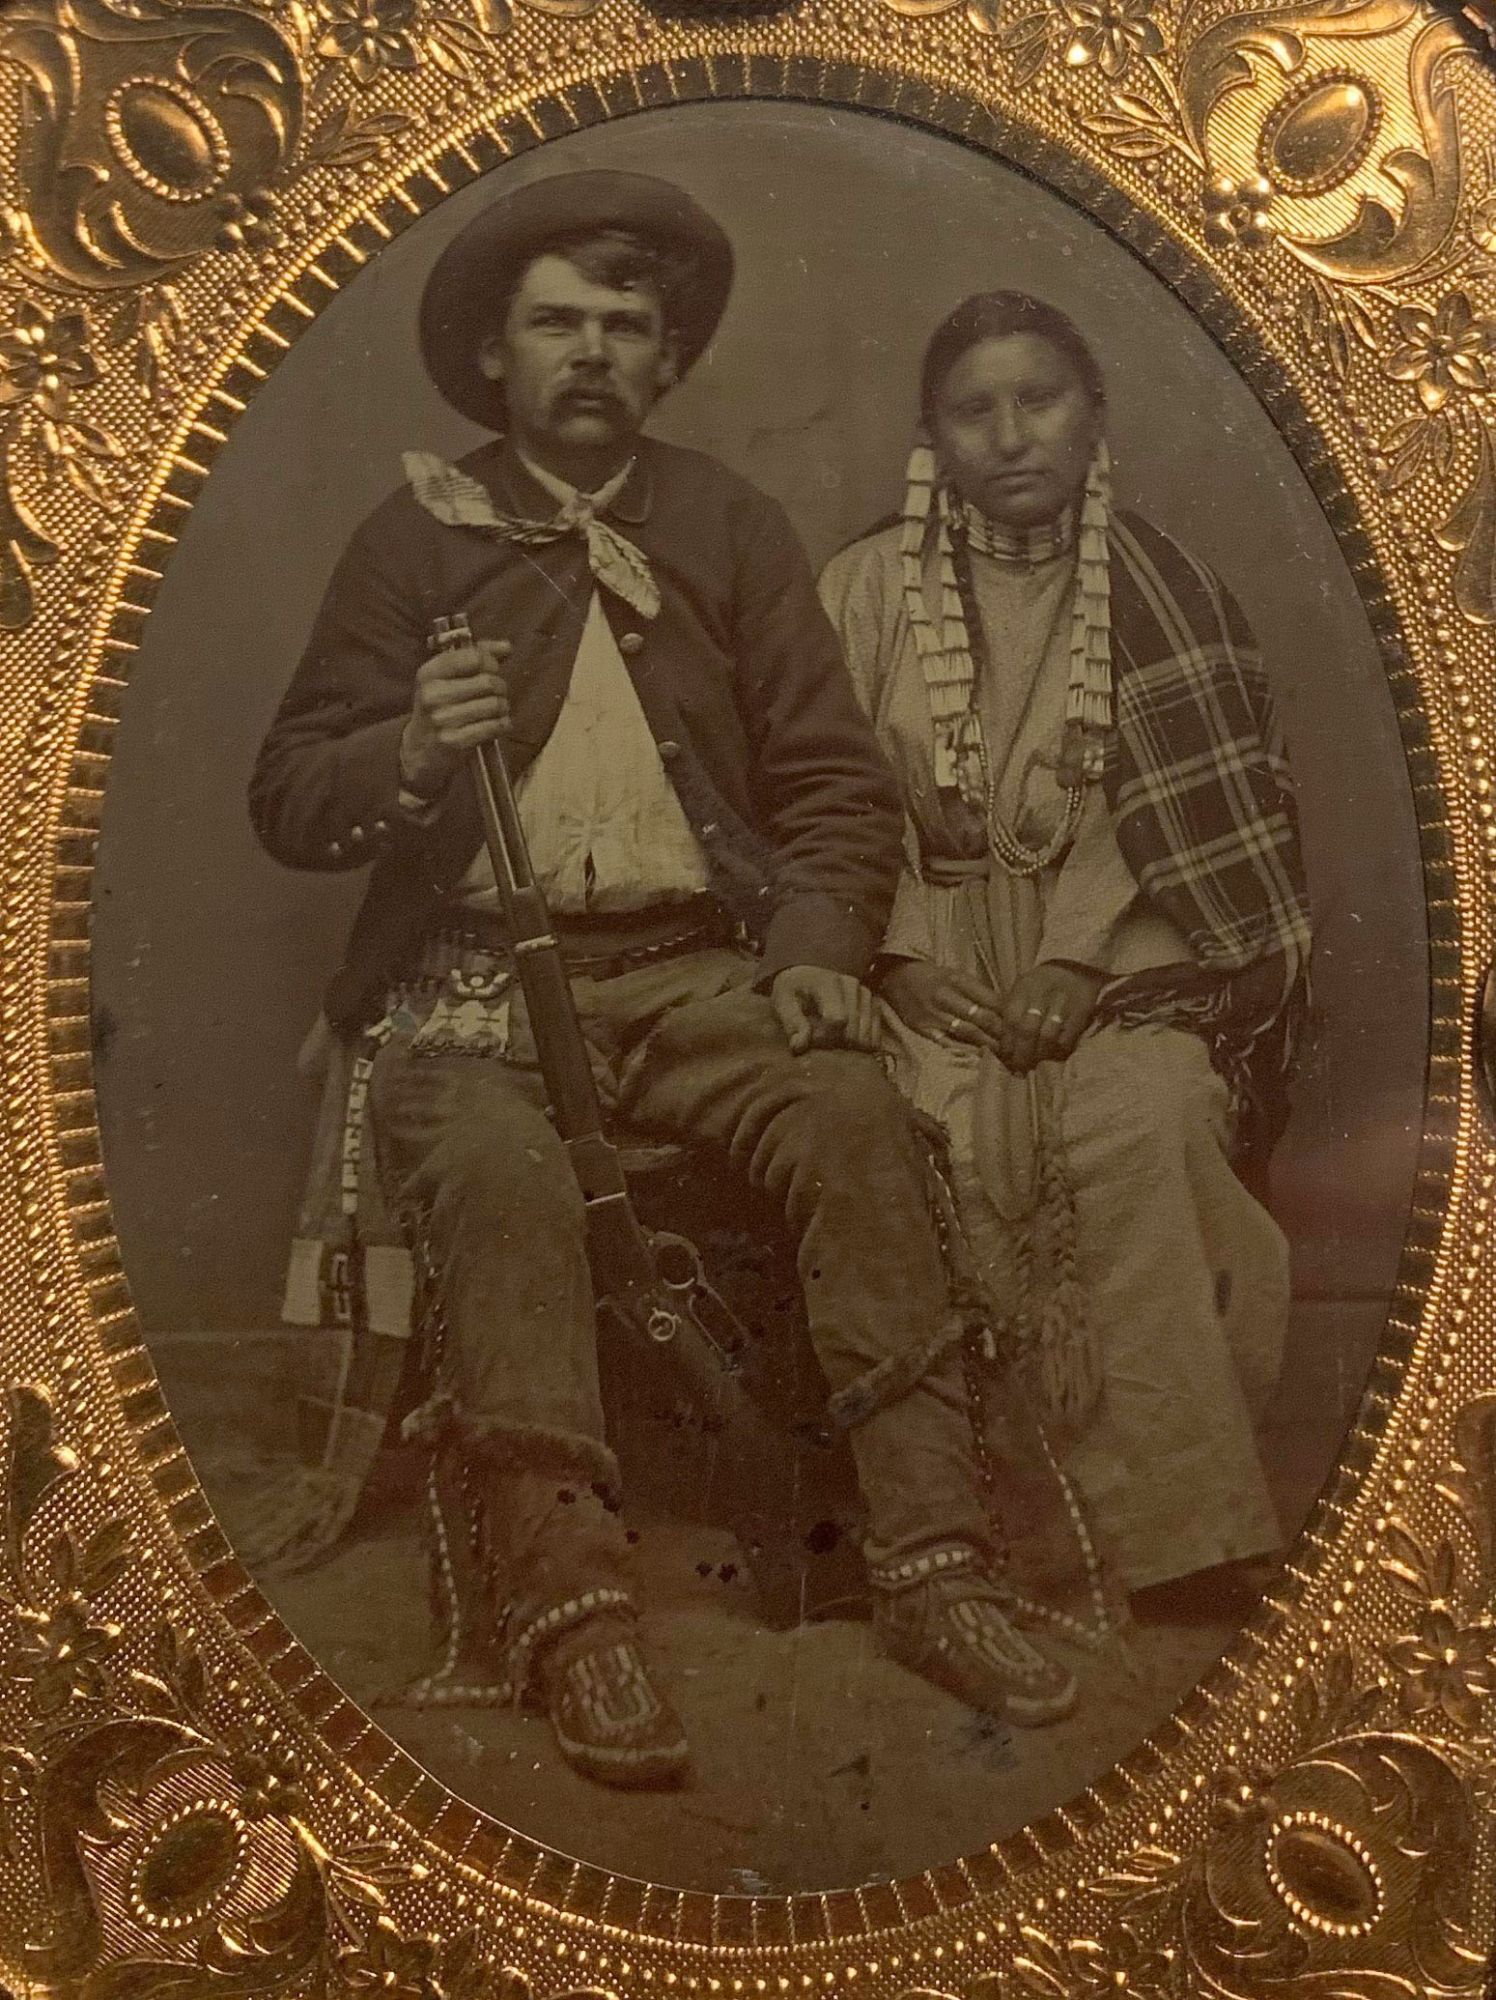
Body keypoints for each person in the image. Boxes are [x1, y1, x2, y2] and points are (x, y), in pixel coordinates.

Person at [250, 178, 1081, 1794]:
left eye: (628, 331)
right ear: (496, 356)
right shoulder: (415, 532)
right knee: (496, 1176)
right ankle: (569, 1610)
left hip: (699, 975)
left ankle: (934, 1566)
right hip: (469, 992)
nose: (593, 354)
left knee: (850, 1112)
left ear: (666, 359)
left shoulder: (722, 526)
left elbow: (837, 784)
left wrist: (822, 957)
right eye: (558, 323)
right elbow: (289, 797)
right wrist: (412, 744)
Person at [818, 292, 1312, 1614]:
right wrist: (906, 964)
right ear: (933, 437)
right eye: (975, 411)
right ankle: (976, 1536)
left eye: (1039, 400)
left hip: (1117, 977)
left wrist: (1084, 965)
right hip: (914, 970)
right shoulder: (863, 591)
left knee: (1146, 1121)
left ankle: (1181, 1539)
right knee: (931, 1130)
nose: (1012, 434)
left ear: (1093, 417)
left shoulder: (1174, 599)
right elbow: (817, 802)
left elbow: (1201, 837)